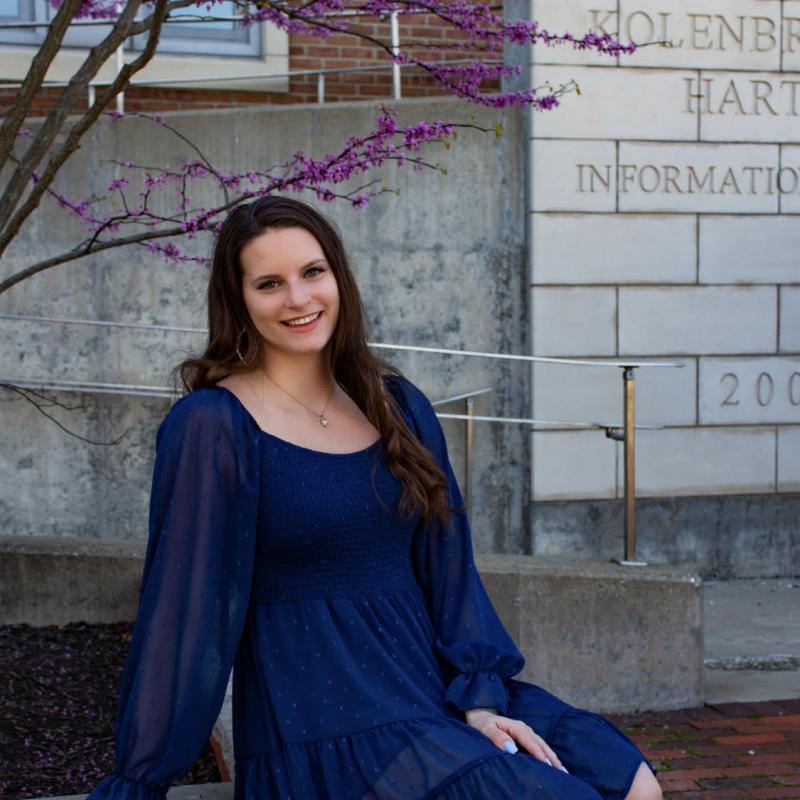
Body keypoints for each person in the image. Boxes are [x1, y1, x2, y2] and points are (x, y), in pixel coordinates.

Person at [86, 195, 662, 800]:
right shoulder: (213, 426)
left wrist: (482, 697)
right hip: (327, 722)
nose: (300, 299)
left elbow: (451, 572)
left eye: (313, 272)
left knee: (632, 782)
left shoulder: (397, 404)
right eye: (269, 283)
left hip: (434, 688)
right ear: (239, 300)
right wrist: (140, 778)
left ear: (338, 275)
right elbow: (184, 615)